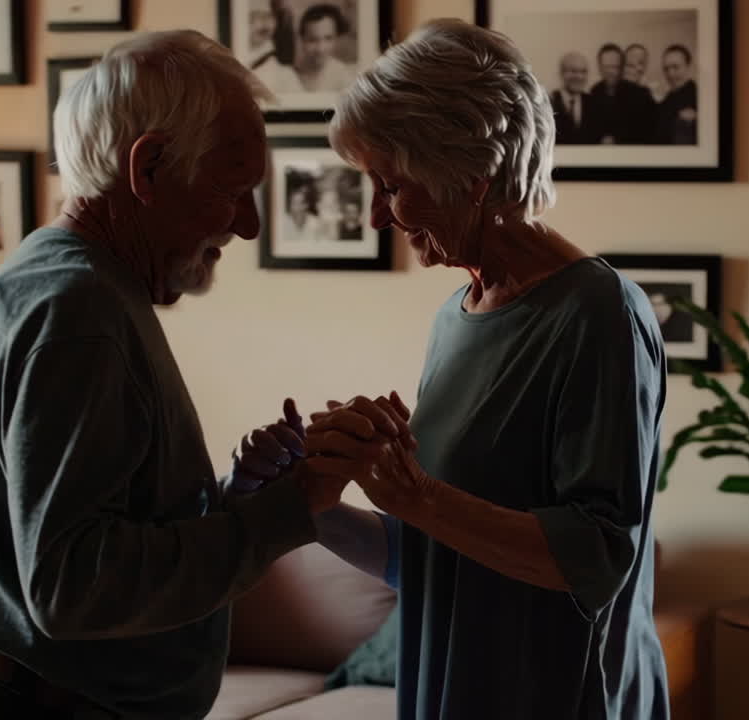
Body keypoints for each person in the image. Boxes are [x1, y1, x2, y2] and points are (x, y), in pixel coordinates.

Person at [0, 30, 354, 720]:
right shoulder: (78, 312)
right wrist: (284, 513)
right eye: (233, 190)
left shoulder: (64, 283)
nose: (249, 223)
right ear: (148, 169)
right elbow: (73, 586)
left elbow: (99, 535)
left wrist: (232, 499)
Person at [233, 19, 670, 720]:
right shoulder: (455, 314)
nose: (377, 214)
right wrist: (314, 505)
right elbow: (430, 557)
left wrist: (416, 496)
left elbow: (598, 555)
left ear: (472, 176)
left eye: (391, 185)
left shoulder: (597, 312)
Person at [257, 4, 356, 93]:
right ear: (302, 39)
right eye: (312, 40)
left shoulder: (342, 75)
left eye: (328, 38)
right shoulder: (284, 75)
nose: (320, 49)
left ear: (336, 38)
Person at [589, 43, 656, 144]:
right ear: (599, 67)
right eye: (606, 67)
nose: (610, 72)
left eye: (615, 67)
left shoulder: (641, 94)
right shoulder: (595, 92)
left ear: (622, 67)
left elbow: (649, 134)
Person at [550, 52, 599, 145]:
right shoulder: (549, 103)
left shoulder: (595, 104)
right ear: (561, 73)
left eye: (583, 72)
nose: (579, 76)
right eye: (573, 71)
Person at [657, 44, 698, 144]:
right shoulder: (669, 97)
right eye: (666, 69)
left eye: (675, 67)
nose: (670, 74)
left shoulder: (699, 96)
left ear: (689, 67)